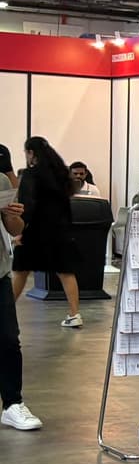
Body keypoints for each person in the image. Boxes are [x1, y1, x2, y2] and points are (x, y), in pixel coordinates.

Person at [10, 137, 82, 326]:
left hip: (34, 231)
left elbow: (27, 205)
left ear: (31, 153)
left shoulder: (31, 174)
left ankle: (5, 312)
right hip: (59, 231)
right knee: (65, 272)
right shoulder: (61, 174)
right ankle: (75, 314)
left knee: (20, 271)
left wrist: (19, 231)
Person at [1, 163, 40, 431]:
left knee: (7, 339)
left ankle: (13, 404)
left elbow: (15, 229)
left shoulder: (1, 181)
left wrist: (11, 214)